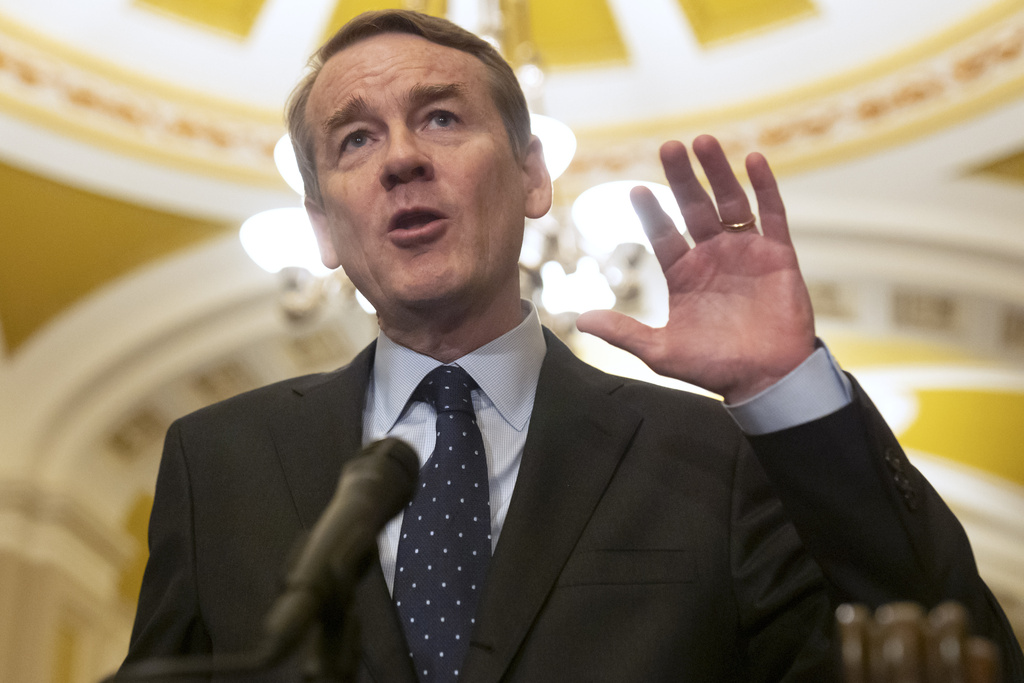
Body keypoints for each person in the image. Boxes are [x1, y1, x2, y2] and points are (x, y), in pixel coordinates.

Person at [122, 9, 1024, 683]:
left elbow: (952, 645)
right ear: (322, 226)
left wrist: (786, 390)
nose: (400, 158)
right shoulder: (217, 461)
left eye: (441, 118)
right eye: (355, 139)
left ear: (532, 177)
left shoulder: (712, 458)